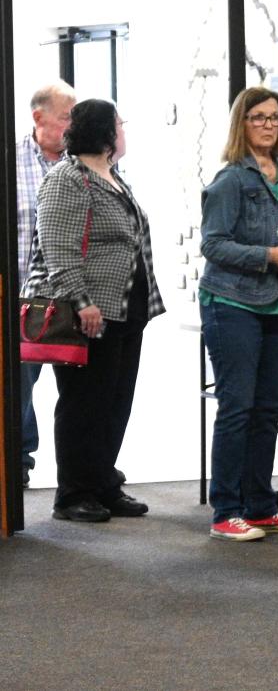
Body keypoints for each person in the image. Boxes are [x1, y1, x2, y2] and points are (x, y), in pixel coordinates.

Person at [22, 99, 164, 522]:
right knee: (83, 404)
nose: (124, 130)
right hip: (87, 311)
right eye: (119, 123)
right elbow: (58, 248)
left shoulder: (113, 176)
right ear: (105, 132)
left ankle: (103, 482)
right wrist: (82, 301)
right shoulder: (67, 179)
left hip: (126, 308)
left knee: (114, 402)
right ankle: (73, 493)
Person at [199, 86, 278, 542]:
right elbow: (212, 245)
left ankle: (261, 505)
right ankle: (225, 511)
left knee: (268, 407)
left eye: (274, 118)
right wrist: (267, 255)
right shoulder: (230, 180)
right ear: (242, 124)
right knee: (238, 407)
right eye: (259, 118)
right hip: (232, 304)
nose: (269, 125)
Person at [16, 81, 76, 487]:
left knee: (79, 393)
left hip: (75, 300)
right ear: (39, 118)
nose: (71, 127)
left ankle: (86, 472)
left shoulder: (83, 164)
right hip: (22, 297)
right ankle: (19, 460)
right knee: (20, 380)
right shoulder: (10, 159)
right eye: (65, 117)